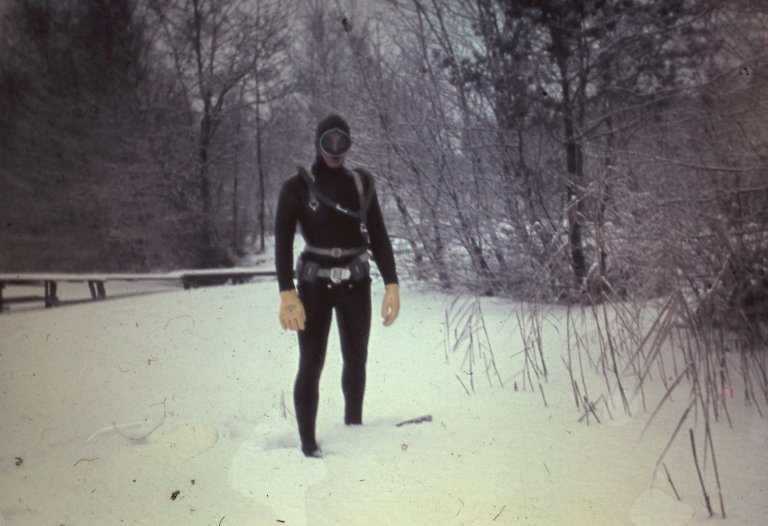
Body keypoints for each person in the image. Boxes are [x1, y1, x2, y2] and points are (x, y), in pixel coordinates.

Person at [274, 114, 400, 458]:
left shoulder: (361, 183)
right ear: (317, 143)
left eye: (340, 142)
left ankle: (353, 429)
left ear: (349, 144)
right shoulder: (296, 188)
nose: (334, 150)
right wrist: (287, 293)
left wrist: (392, 282)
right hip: (314, 287)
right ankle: (307, 446)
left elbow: (378, 233)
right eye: (328, 142)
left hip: (356, 284)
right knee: (310, 363)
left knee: (356, 359)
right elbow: (283, 242)